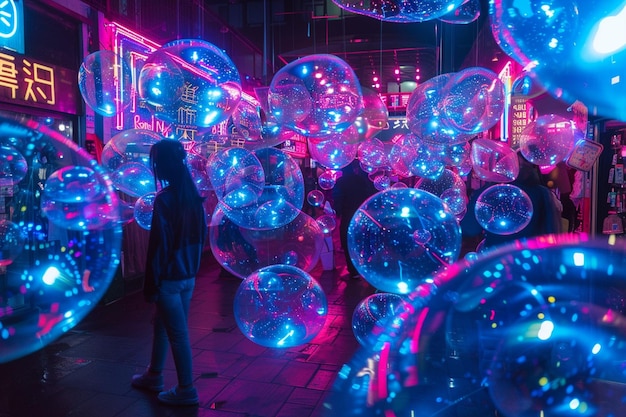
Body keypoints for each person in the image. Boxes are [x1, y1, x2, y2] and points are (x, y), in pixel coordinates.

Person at [131, 139, 207, 406]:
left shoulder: (165, 199)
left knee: (177, 333)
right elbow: (201, 238)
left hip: (169, 278)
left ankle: (187, 389)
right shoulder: (194, 197)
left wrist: (151, 284)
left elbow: (158, 246)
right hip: (188, 276)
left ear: (163, 165)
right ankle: (154, 375)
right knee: (162, 325)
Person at [461, 152, 562, 252]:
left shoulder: (490, 193)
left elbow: (469, 228)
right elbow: (552, 230)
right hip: (533, 258)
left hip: (498, 258)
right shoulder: (542, 192)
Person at [332, 159, 378, 279]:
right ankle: (367, 265)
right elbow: (368, 195)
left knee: (348, 242)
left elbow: (338, 198)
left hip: (348, 214)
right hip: (362, 213)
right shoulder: (361, 180)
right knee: (363, 240)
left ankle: (353, 271)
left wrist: (337, 212)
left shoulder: (341, 182)